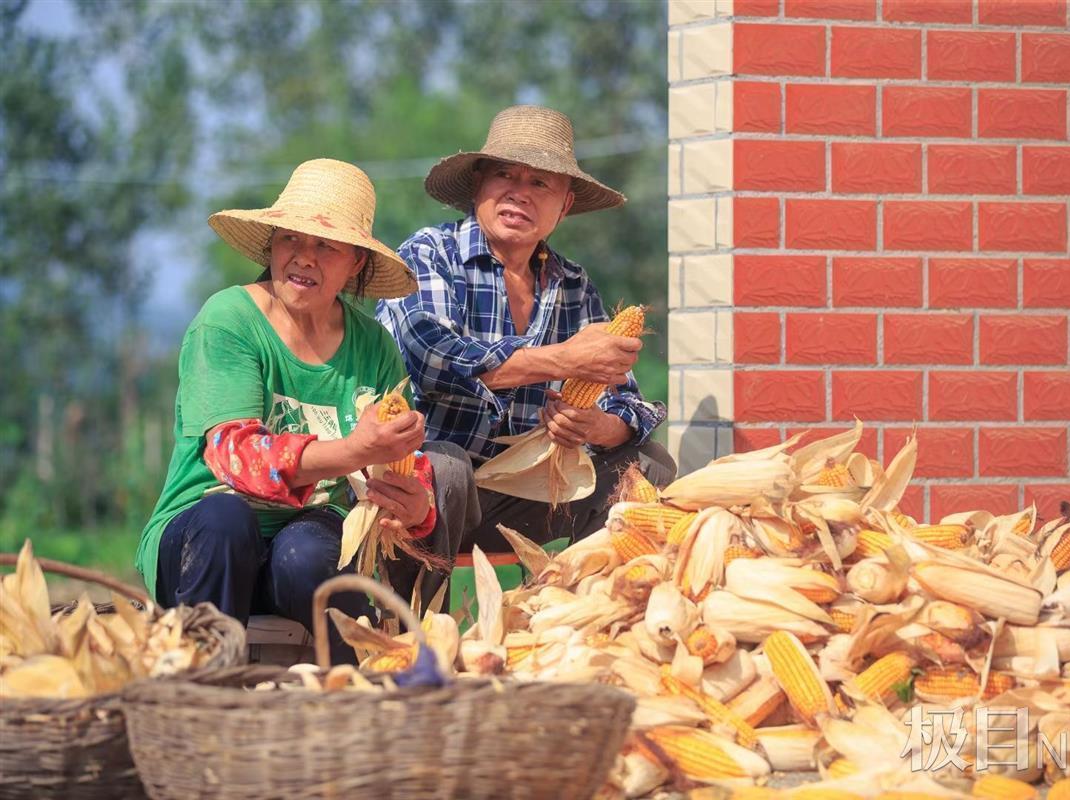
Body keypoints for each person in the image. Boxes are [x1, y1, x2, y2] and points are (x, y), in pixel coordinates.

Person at [137, 159, 480, 664]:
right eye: (290, 240)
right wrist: (353, 449)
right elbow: (237, 457)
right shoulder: (229, 320)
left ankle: (353, 706)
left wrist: (415, 505)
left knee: (314, 549)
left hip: (301, 547)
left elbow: (394, 468)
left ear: (356, 263)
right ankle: (201, 697)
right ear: (272, 244)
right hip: (202, 545)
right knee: (226, 520)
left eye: (326, 246)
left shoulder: (374, 347)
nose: (304, 258)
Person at [377, 105, 674, 553]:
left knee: (651, 464)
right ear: (479, 185)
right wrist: (567, 359)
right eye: (505, 176)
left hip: (522, 493)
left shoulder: (573, 285)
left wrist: (595, 426)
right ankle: (414, 619)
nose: (520, 194)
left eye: (539, 182)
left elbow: (625, 400)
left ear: (565, 205)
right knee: (449, 465)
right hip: (428, 490)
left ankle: (587, 609)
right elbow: (434, 359)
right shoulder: (429, 253)